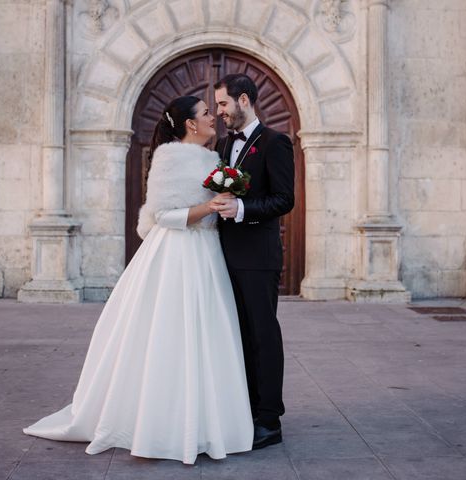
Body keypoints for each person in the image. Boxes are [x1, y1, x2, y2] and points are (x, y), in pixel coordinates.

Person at [23, 96, 253, 465]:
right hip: (178, 253)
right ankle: (160, 424)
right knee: (171, 333)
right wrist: (207, 207)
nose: (214, 117)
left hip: (208, 254)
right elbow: (163, 215)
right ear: (191, 124)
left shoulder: (213, 159)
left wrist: (225, 199)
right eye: (206, 113)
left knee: (208, 333)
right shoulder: (169, 157)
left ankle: (209, 423)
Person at [212, 74, 295, 449]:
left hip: (259, 257)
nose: (219, 113)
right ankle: (244, 408)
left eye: (223, 105)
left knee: (263, 335)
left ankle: (269, 419)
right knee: (238, 335)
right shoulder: (224, 142)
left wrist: (242, 208)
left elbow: (284, 199)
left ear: (243, 100)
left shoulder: (275, 142)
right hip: (224, 257)